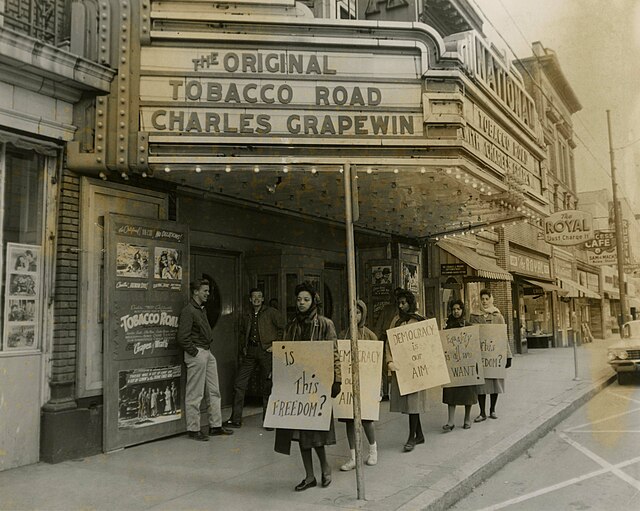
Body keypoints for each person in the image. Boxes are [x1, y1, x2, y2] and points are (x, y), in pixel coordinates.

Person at [274, 282, 341, 491]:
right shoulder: (292, 326)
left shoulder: (325, 324)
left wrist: (337, 379)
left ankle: (325, 467)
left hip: (317, 385)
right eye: (299, 299)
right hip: (297, 386)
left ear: (314, 301)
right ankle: (309, 476)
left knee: (316, 432)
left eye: (306, 299)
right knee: (300, 433)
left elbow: (334, 354)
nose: (301, 303)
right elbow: (285, 355)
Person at [177, 278, 233, 441]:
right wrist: (195, 352)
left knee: (214, 390)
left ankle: (215, 425)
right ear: (196, 292)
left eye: (208, 291)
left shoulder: (200, 309)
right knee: (195, 393)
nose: (208, 294)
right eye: (205, 291)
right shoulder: (189, 310)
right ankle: (193, 429)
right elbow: (182, 337)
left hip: (206, 352)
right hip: (198, 353)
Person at [224, 288, 284, 429]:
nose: (256, 299)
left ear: (263, 299)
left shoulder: (272, 313)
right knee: (239, 383)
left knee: (267, 385)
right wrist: (243, 347)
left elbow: (283, 329)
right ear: (250, 300)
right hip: (250, 351)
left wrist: (276, 345)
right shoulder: (247, 315)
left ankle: (268, 420)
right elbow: (242, 332)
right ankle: (236, 419)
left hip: (266, 352)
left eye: (259, 296)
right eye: (254, 297)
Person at [385, 289, 429, 452]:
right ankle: (420, 435)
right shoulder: (396, 321)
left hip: (416, 368)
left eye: (404, 302)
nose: (401, 306)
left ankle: (412, 437)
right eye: (399, 303)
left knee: (413, 403)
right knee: (410, 403)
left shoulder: (418, 321)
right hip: (402, 368)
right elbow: (389, 341)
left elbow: (427, 343)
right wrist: (389, 361)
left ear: (411, 303)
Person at [339, 299, 379, 470]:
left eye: (357, 312)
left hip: (365, 385)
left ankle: (373, 450)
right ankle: (353, 456)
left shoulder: (369, 335)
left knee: (366, 419)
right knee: (349, 420)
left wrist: (378, 388)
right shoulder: (343, 335)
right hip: (348, 386)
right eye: (351, 312)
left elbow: (376, 365)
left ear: (363, 314)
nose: (354, 315)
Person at [469, 288, 512, 422]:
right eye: (482, 299)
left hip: (494, 356)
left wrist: (508, 355)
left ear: (491, 299)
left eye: (487, 299)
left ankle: (492, 409)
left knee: (494, 383)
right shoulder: (475, 316)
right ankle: (482, 412)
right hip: (481, 356)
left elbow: (503, 336)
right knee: (481, 385)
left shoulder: (498, 316)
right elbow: (472, 335)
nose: (485, 301)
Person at [442, 300, 477, 431]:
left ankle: (467, 418)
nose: (456, 311)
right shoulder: (448, 327)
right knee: (451, 392)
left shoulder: (468, 326)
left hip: (466, 364)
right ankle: (450, 421)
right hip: (453, 365)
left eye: (458, 309)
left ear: (462, 310)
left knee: (468, 392)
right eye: (453, 309)